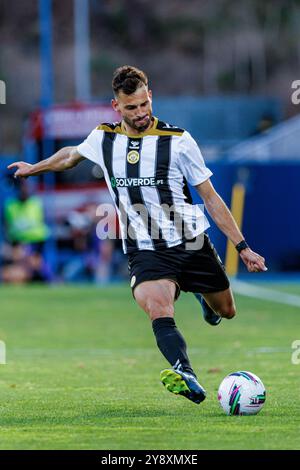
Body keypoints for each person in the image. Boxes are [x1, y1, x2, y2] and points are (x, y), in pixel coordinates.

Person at [8, 65, 267, 405]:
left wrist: (242, 247)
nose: (141, 112)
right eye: (132, 107)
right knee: (158, 307)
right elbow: (70, 157)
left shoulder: (178, 141)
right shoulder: (104, 138)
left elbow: (211, 197)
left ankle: (205, 299)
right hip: (145, 248)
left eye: (145, 104)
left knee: (227, 310)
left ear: (150, 97)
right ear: (116, 107)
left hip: (190, 242)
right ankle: (184, 371)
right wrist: (34, 168)